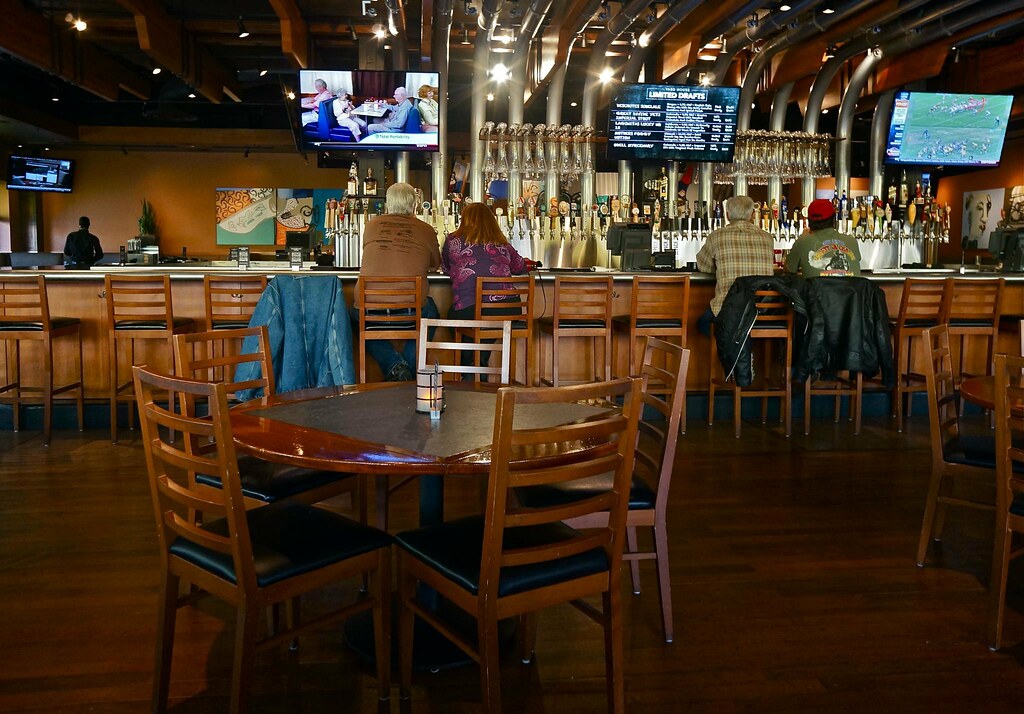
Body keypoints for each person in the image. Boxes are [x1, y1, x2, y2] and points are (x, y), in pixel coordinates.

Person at [353, 182, 441, 381]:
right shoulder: (426, 229)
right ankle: (404, 370)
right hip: (410, 312)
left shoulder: (371, 225)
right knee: (431, 313)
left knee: (356, 318)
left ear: (388, 203)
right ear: (414, 204)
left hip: (369, 310)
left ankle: (396, 367)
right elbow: (435, 265)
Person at [441, 203, 535, 371]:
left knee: (456, 318)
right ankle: (479, 365)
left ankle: (472, 368)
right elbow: (520, 267)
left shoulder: (452, 240)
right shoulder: (502, 243)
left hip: (471, 309)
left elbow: (446, 268)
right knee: (485, 321)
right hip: (508, 309)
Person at [695, 195, 774, 337]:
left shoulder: (716, 236)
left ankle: (730, 349)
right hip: (761, 310)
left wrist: (720, 267)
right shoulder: (767, 238)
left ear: (727, 214)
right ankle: (742, 347)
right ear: (751, 214)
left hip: (728, 309)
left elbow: (703, 267)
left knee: (702, 324)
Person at [785, 199, 861, 278]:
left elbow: (789, 269)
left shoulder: (802, 242)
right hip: (851, 290)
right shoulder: (852, 241)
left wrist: (803, 236)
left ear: (809, 221)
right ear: (833, 218)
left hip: (818, 290)